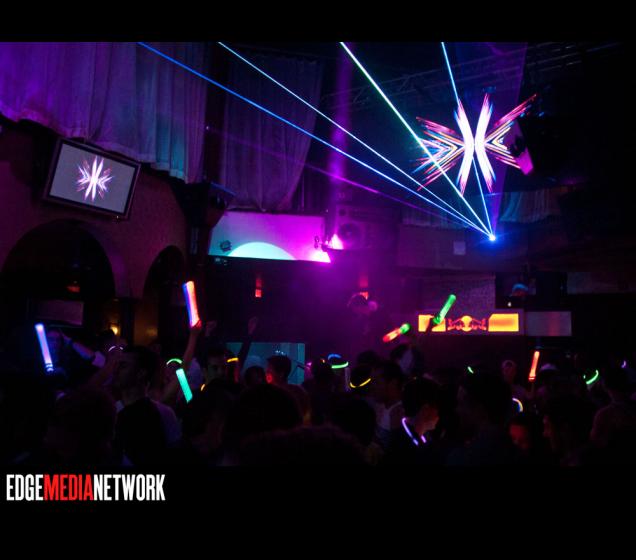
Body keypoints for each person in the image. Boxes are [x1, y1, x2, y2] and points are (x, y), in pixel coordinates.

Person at [112, 346, 181, 466]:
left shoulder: (164, 414)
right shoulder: (109, 412)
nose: (116, 370)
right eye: (117, 365)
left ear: (141, 373)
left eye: (123, 366)